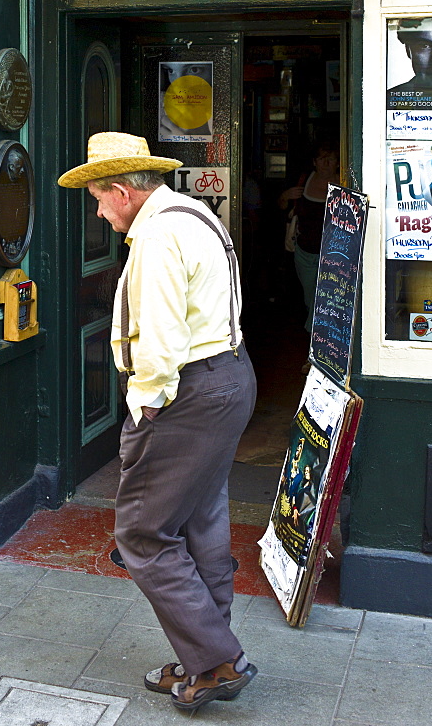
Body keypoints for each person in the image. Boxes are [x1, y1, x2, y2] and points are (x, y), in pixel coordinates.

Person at [58, 132, 257, 713]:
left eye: (98, 198)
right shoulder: (191, 213)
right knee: (200, 519)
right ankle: (205, 654)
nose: (98, 211)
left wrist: (144, 405)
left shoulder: (159, 233)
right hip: (225, 377)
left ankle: (218, 660)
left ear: (122, 191)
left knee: (142, 534)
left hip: (186, 393)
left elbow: (162, 336)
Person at [279, 141, 340, 338]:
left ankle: (318, 345)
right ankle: (320, 346)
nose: (326, 163)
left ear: (338, 163)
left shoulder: (343, 182)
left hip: (334, 255)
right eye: (321, 159)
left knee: (327, 301)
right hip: (305, 253)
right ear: (314, 162)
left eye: (330, 159)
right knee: (311, 299)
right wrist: (286, 196)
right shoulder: (303, 181)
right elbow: (280, 207)